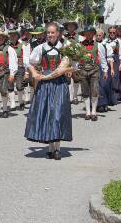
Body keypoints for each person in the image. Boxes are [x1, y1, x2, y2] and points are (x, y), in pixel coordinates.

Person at [25, 22, 73, 160]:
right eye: (48, 33)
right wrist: (33, 73)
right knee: (47, 114)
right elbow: (29, 63)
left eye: (53, 32)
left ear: (58, 33)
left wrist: (68, 70)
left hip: (59, 84)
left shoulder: (65, 48)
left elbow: (74, 65)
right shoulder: (40, 48)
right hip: (45, 84)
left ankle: (57, 149)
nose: (50, 35)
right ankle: (50, 148)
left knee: (58, 114)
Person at [74, 26, 108, 121]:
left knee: (94, 91)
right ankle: (88, 112)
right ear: (84, 35)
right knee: (84, 92)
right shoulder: (79, 45)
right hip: (83, 70)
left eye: (90, 33)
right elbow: (76, 59)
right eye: (86, 33)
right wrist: (75, 69)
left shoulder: (99, 45)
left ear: (93, 34)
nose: (88, 35)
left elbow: (103, 59)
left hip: (94, 70)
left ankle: (94, 112)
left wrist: (105, 70)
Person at [8, 28, 30, 111]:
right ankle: (13, 103)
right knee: (10, 85)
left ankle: (21, 101)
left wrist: (27, 72)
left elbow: (26, 59)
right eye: (11, 35)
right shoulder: (8, 46)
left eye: (14, 35)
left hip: (20, 67)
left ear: (17, 36)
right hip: (9, 68)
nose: (12, 37)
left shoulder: (22, 46)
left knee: (19, 86)